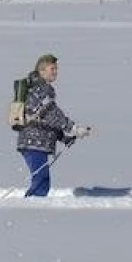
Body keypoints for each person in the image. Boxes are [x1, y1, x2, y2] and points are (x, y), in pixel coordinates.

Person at [15, 53, 90, 197]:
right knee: (41, 181)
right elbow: (51, 113)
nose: (56, 72)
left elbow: (45, 119)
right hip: (33, 142)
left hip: (35, 142)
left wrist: (63, 137)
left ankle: (33, 204)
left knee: (42, 180)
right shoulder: (40, 89)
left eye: (56, 69)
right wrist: (73, 128)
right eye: (52, 69)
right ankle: (32, 206)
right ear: (41, 70)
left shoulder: (39, 88)